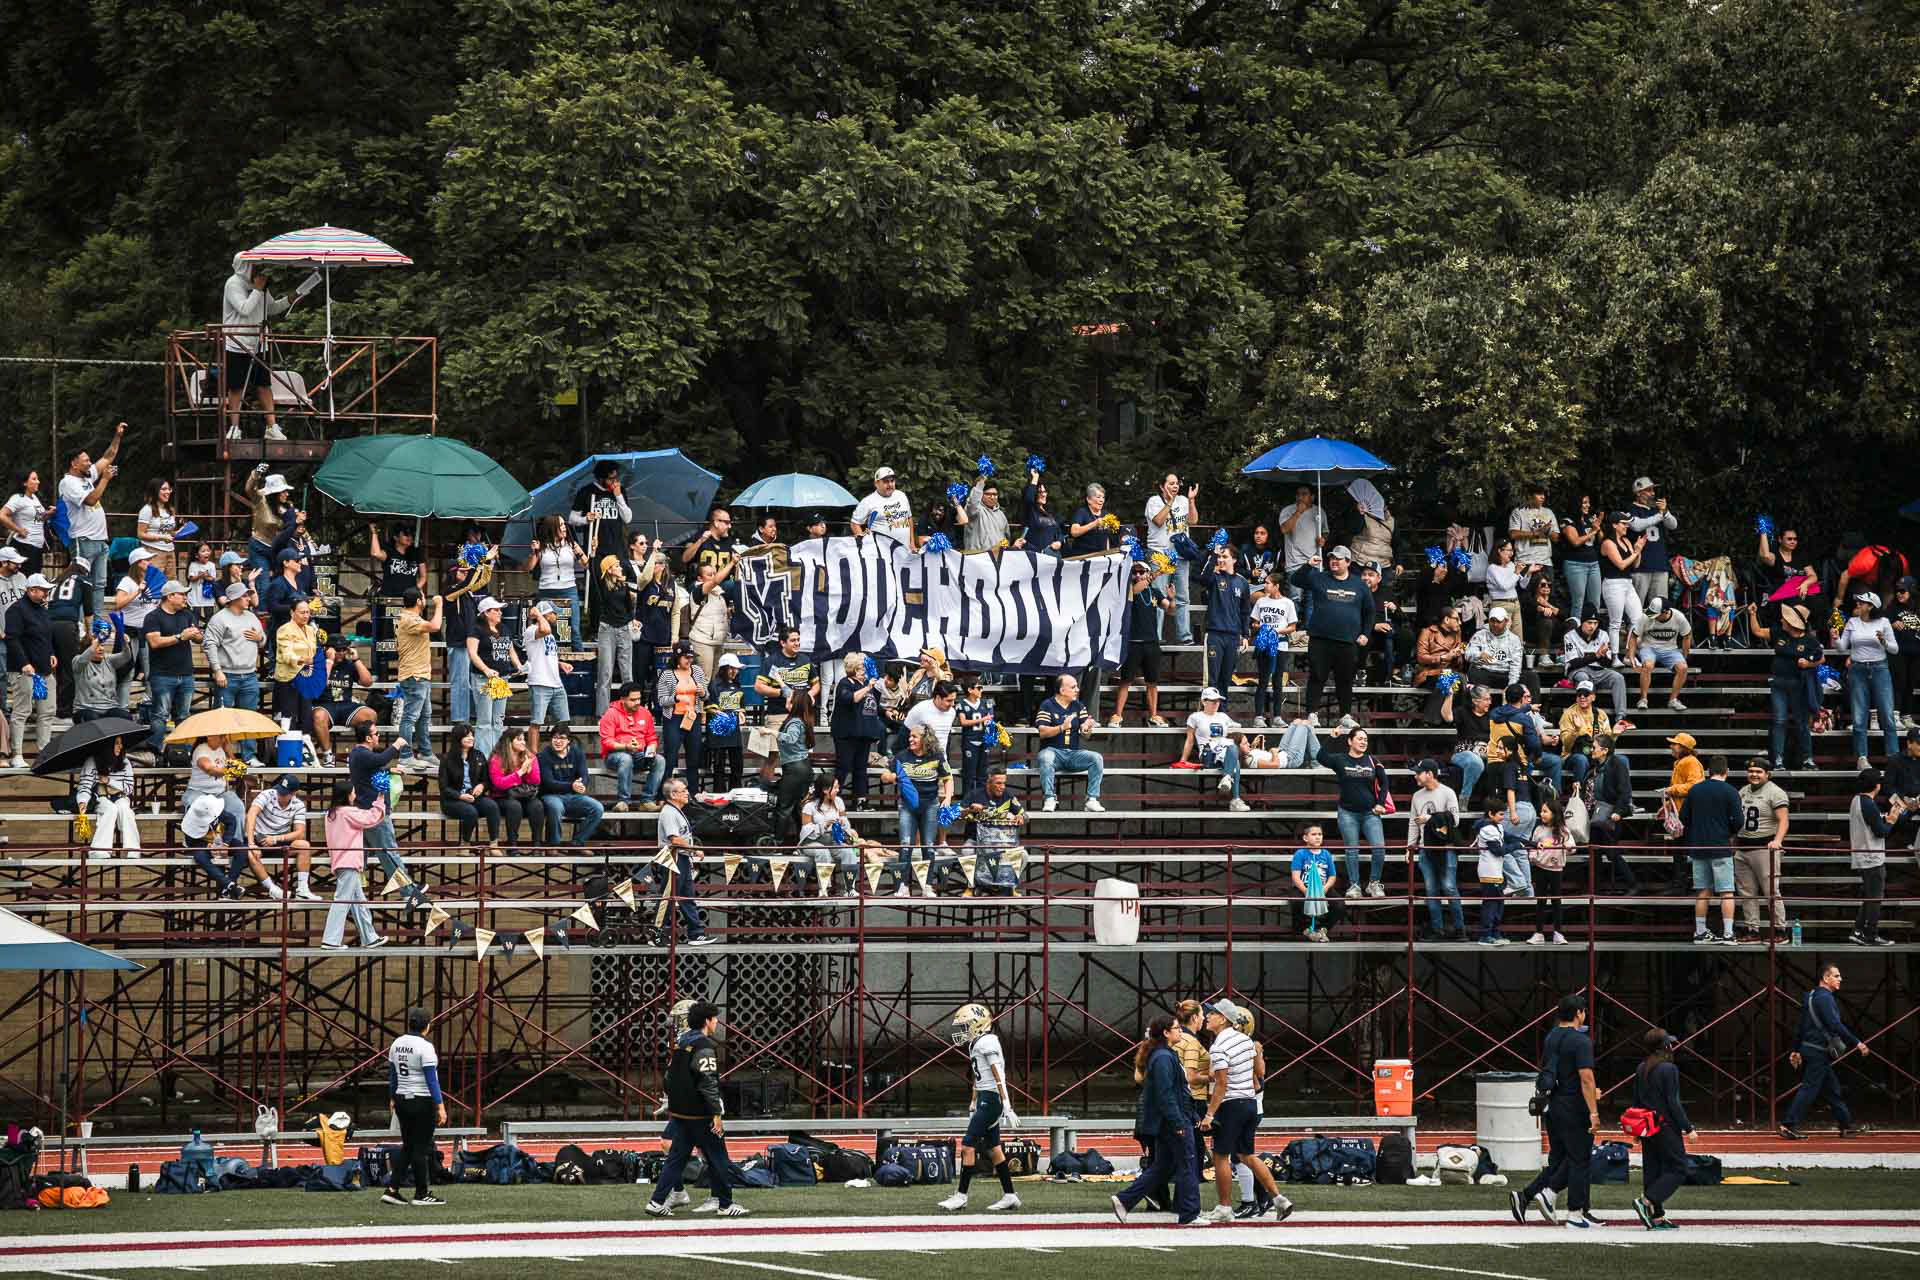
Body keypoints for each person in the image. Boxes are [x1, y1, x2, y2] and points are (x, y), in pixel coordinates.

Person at [647, 1001, 746, 1217]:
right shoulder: (704, 1047)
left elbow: (669, 1080)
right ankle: (725, 1204)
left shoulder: (681, 1043)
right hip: (701, 1114)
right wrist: (716, 1114)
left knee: (675, 1159)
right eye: (714, 1018)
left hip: (681, 1114)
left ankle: (656, 1201)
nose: (717, 1022)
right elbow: (708, 1082)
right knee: (719, 1158)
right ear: (707, 1021)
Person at [1511, 994, 1600, 1228]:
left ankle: (1527, 1195)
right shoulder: (1581, 1041)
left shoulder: (1552, 1036)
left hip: (1553, 1104)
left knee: (1560, 1160)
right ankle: (1572, 1211)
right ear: (1579, 1013)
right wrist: (1594, 1111)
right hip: (1574, 1106)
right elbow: (1586, 1078)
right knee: (1579, 1159)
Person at [1199, 1000, 1292, 1223]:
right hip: (1250, 1103)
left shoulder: (1219, 1046)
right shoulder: (1245, 1040)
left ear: (1223, 1018)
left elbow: (1221, 1083)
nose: (1207, 1017)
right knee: (1247, 1155)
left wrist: (1209, 1114)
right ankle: (1279, 1199)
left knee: (1221, 1156)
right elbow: (1258, 1072)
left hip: (1231, 1105)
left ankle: (1224, 1207)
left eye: (1212, 1013)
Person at [1110, 1013, 1203, 1226]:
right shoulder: (1163, 1057)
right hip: (1172, 1122)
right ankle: (1189, 1213)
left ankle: (1125, 1200)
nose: (1180, 1031)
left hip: (1169, 1120)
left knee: (1162, 1166)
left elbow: (1175, 1091)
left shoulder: (1164, 1054)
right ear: (1166, 1032)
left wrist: (1190, 1114)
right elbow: (1166, 1094)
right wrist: (1178, 1121)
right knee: (1188, 1163)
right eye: (1177, 1028)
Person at [938, 1003, 1022, 1213]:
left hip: (992, 1100)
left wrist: (1007, 1105)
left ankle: (961, 1196)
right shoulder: (977, 1043)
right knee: (994, 1149)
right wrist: (974, 1100)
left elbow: (998, 1075)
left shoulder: (987, 1042)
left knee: (967, 1146)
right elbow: (980, 1076)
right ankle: (1010, 1195)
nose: (963, 1031)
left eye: (966, 1026)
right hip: (985, 1098)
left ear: (978, 1024)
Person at [1781, 965, 1870, 1140]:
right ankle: (1788, 1125)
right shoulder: (1825, 998)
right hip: (1818, 1051)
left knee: (1832, 1089)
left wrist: (1795, 1050)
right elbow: (1834, 1024)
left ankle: (1846, 1125)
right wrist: (1857, 1042)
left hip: (1810, 1049)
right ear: (1825, 978)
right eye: (1836, 976)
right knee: (1809, 1088)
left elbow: (1801, 1027)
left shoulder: (1810, 996)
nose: (1840, 979)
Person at [1290, 545, 1375, 721]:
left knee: (1345, 680)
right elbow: (1295, 580)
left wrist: (1366, 633)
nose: (1334, 561)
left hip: (1347, 641)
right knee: (1317, 677)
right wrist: (1308, 565)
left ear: (1348, 562)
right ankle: (1312, 714)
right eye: (1332, 558)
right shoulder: (1319, 578)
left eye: (1338, 558)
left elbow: (1370, 611)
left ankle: (1345, 716)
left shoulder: (1360, 585)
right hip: (1320, 640)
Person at [57, 423, 124, 622]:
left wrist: (117, 435)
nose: (89, 463)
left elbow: (108, 457)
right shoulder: (68, 482)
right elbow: (91, 500)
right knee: (81, 583)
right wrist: (105, 479)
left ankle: (96, 623)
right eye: (85, 461)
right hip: (83, 540)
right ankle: (78, 624)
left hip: (100, 540)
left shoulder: (87, 477)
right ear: (74, 464)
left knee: (100, 584)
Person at [221, 254, 292, 440]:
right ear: (245, 266)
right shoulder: (233, 284)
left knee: (264, 385)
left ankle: (272, 427)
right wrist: (258, 289)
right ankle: (234, 428)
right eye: (254, 265)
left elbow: (272, 308)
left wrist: (294, 297)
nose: (258, 269)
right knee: (236, 387)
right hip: (237, 343)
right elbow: (245, 309)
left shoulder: (259, 285)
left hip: (259, 343)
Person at [1628, 1029, 1692, 1231]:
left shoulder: (1641, 1068)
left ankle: (1657, 1216)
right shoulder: (1669, 1069)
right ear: (1665, 1046)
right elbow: (1673, 1102)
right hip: (1665, 1126)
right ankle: (1646, 1201)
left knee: (1653, 1170)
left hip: (1647, 1126)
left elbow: (1636, 1100)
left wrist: (1637, 1132)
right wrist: (1688, 1128)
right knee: (1679, 1168)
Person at [383, 1008, 447, 1207]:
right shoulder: (425, 1047)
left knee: (409, 1146)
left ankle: (392, 1189)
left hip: (402, 1099)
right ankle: (421, 1193)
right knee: (421, 1147)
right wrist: (440, 1105)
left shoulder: (397, 1043)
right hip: (422, 1100)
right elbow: (431, 1080)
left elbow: (393, 1074)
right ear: (426, 1026)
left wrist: (392, 1097)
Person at [1318, 724, 1390, 897]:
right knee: (1352, 850)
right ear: (1350, 741)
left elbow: (1385, 783)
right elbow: (1321, 757)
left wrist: (1380, 803)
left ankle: (1374, 884)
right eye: (1359, 738)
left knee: (1379, 848)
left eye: (1366, 739)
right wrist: (1332, 737)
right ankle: (1354, 886)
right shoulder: (1340, 759)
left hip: (1370, 813)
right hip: (1347, 813)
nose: (1363, 742)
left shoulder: (1373, 760)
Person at [882, 725, 951, 895]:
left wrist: (948, 797)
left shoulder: (937, 756)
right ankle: (902, 886)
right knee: (906, 845)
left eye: (914, 736)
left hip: (930, 805)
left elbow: (948, 778)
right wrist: (889, 776)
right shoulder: (902, 756)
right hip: (907, 806)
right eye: (910, 736)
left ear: (925, 739)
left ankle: (927, 886)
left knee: (928, 846)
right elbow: (884, 775)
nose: (910, 739)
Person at [1679, 754, 1740, 944]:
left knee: (1703, 892)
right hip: (1720, 846)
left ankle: (1700, 932)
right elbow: (1739, 821)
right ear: (1726, 771)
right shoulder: (1731, 791)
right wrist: (1729, 832)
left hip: (1698, 847)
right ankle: (1728, 933)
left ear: (1708, 771)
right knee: (1726, 892)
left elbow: (1683, 817)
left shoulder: (1695, 790)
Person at [321, 780, 388, 951]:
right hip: (349, 861)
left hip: (341, 861)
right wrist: (380, 797)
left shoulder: (331, 813)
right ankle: (330, 940)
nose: (355, 795)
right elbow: (371, 818)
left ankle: (370, 937)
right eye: (353, 792)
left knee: (358, 902)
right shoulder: (348, 812)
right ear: (347, 795)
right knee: (342, 900)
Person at [1836, 591, 1899, 768]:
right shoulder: (1852, 622)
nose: (1858, 604)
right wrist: (1835, 638)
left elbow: (1895, 649)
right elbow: (1841, 648)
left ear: (1871, 606)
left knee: (1887, 713)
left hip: (1879, 669)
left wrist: (1884, 642)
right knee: (1859, 715)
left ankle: (1893, 756)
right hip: (1857, 670)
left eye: (1862, 602)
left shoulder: (1883, 622)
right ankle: (1862, 757)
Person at [203, 582, 265, 759]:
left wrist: (260, 638)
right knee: (222, 720)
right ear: (234, 598)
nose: (248, 599)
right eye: (244, 596)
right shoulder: (219, 618)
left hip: (250, 675)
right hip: (227, 675)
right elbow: (209, 644)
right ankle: (222, 756)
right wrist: (217, 670)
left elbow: (263, 641)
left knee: (249, 718)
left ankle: (249, 757)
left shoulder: (251, 617)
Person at [141, 579, 200, 756]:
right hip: (162, 675)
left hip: (186, 673)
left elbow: (199, 639)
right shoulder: (153, 617)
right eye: (182, 594)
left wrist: (197, 635)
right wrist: (180, 637)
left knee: (184, 716)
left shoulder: (187, 615)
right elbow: (154, 642)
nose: (185, 597)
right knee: (160, 715)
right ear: (170, 596)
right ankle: (155, 752)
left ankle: (183, 753)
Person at [3, 572, 56, 768]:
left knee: (46, 711)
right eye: (43, 590)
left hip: (42, 672)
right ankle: (17, 754)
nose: (46, 593)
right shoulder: (16, 610)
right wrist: (24, 663)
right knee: (22, 711)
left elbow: (45, 636)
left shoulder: (42, 609)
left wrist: (51, 652)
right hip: (24, 671)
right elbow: (12, 639)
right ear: (31, 590)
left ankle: (44, 752)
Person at [1110, 562, 1173, 726]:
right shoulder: (1127, 589)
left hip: (1151, 643)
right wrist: (1154, 575)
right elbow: (1135, 590)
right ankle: (1117, 716)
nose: (1137, 575)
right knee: (1125, 681)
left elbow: (1170, 610)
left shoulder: (1154, 591)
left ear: (1147, 572)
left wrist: (1172, 598)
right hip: (1132, 642)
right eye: (1134, 572)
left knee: (1152, 682)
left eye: (1141, 572)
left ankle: (1153, 716)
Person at [1033, 674, 1104, 813]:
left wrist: (1086, 728)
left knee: (1096, 758)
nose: (1077, 689)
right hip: (1052, 752)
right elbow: (1042, 732)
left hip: (1073, 754)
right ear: (1062, 690)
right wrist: (1061, 727)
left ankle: (1092, 799)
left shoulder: (1078, 706)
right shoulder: (1047, 705)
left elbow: (1086, 736)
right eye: (1073, 687)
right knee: (1046, 757)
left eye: (1076, 686)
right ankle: (1049, 798)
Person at [1410, 759, 1464, 941]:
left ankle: (1459, 929)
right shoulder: (1417, 796)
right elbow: (1413, 823)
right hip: (1426, 848)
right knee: (1431, 890)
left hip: (1445, 847)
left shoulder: (1447, 792)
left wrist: (1429, 818)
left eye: (1419, 773)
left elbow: (1455, 820)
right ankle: (1437, 929)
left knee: (1449, 888)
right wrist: (1410, 846)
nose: (1416, 776)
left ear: (1430, 774)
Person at [1848, 768, 1903, 947]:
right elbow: (1881, 832)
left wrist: (1885, 819)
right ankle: (1870, 934)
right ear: (1876, 785)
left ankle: (1858, 931)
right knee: (1875, 899)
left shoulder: (1857, 800)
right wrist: (1892, 821)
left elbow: (1872, 823)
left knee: (1870, 897)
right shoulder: (1869, 804)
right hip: (1872, 857)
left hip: (1863, 855)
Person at [657, 779, 714, 945]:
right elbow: (674, 839)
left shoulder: (676, 811)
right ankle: (658, 934)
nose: (687, 793)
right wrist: (694, 849)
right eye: (683, 790)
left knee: (686, 897)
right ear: (673, 794)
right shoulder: (669, 812)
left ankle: (696, 934)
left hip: (681, 857)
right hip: (672, 858)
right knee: (669, 897)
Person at [1144, 474, 1198, 644]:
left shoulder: (1183, 500)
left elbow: (1193, 521)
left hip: (1181, 555)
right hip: (1160, 554)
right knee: (1159, 596)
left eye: (1177, 484)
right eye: (1171, 483)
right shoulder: (1154, 501)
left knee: (1183, 597)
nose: (1175, 486)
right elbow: (1158, 521)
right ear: (1162, 486)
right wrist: (1169, 502)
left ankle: (1185, 636)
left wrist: (1191, 501)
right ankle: (1156, 636)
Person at [246, 773, 316, 901]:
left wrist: (276, 839)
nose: (280, 795)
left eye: (284, 794)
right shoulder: (267, 794)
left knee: (304, 845)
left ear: (294, 793)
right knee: (250, 853)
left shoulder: (299, 805)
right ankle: (273, 889)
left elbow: (300, 833)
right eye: (279, 791)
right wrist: (251, 843)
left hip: (278, 840)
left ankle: (303, 889)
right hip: (258, 838)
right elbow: (251, 814)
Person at [465, 596, 520, 758]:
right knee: (484, 721)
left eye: (499, 610)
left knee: (498, 720)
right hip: (484, 679)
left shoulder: (504, 628)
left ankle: (497, 756)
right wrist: (486, 669)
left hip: (502, 678)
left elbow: (510, 650)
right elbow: (472, 653)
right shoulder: (476, 629)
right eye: (496, 610)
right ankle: (482, 757)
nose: (500, 612)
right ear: (486, 613)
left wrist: (519, 665)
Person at [1179, 687, 1249, 812]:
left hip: (1223, 753)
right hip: (1208, 755)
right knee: (1233, 755)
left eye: (1218, 701)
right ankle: (1234, 797)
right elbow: (1190, 740)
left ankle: (1228, 783)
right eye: (1213, 701)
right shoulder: (1195, 717)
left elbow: (1237, 725)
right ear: (1203, 701)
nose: (1216, 703)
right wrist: (1183, 760)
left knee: (1233, 752)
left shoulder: (1223, 716)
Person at [599, 681, 664, 813]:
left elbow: (651, 738)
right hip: (614, 756)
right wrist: (625, 747)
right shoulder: (611, 714)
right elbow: (607, 742)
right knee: (625, 759)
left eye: (639, 699)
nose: (637, 702)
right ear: (622, 699)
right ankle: (623, 801)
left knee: (660, 760)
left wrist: (651, 748)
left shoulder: (645, 713)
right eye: (633, 700)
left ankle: (647, 801)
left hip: (639, 754)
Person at [536, 724, 603, 847]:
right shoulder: (543, 756)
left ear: (568, 741)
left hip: (573, 796)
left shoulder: (577, 753)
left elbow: (584, 775)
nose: (558, 741)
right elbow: (548, 782)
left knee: (597, 808)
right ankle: (553, 846)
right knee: (555, 807)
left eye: (562, 738)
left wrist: (582, 785)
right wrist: (571, 786)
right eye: (555, 738)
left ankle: (577, 843)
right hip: (551, 795)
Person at [590, 547, 637, 715]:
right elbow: (594, 570)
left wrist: (632, 620)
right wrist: (594, 553)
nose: (620, 567)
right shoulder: (603, 585)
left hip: (624, 628)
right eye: (616, 565)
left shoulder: (624, 585)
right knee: (605, 673)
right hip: (607, 629)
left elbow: (629, 608)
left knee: (627, 673)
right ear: (609, 570)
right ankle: (602, 714)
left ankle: (630, 711)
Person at [655, 642, 708, 792]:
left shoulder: (697, 671)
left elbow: (706, 696)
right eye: (686, 657)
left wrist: (703, 692)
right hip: (673, 718)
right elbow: (661, 700)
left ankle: (693, 793)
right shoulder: (667, 674)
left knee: (694, 758)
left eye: (691, 657)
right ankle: (663, 794)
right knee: (670, 758)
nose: (689, 660)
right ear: (677, 657)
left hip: (692, 717)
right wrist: (676, 698)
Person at [1248, 571, 1298, 728]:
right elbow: (1254, 622)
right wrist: (1260, 627)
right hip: (1264, 642)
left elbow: (1293, 627)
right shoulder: (1261, 601)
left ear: (1277, 586)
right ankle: (1259, 716)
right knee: (1263, 679)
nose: (1265, 585)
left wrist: (1277, 631)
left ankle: (1277, 717)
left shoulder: (1287, 603)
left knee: (1277, 681)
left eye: (1268, 583)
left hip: (1280, 644)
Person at [439, 723, 502, 847]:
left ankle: (494, 844)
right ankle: (465, 845)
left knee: (492, 806)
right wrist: (460, 796)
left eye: (472, 735)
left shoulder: (478, 755)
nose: (471, 738)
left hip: (474, 797)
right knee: (471, 812)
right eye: (467, 736)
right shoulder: (447, 759)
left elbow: (487, 780)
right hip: (452, 800)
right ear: (458, 738)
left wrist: (482, 786)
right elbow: (444, 787)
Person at [76, 734, 138, 860]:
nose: (120, 747)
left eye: (121, 743)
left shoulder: (125, 762)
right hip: (100, 798)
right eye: (117, 743)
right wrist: (82, 801)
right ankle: (99, 850)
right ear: (108, 746)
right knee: (110, 809)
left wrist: (109, 781)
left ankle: (133, 850)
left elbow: (129, 788)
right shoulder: (92, 761)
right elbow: (85, 786)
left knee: (125, 810)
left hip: (121, 797)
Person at [522, 515, 581, 645]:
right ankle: (548, 654)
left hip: (568, 590)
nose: (565, 527)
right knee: (547, 628)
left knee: (574, 630)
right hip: (547, 591)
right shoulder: (542, 547)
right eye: (561, 525)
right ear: (553, 528)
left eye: (564, 524)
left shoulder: (571, 544)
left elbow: (586, 565)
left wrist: (582, 552)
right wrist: (534, 552)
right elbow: (528, 568)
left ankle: (578, 657)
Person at [1629, 596, 1692, 712]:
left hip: (1670, 649)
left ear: (1665, 612)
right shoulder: (1646, 616)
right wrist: (1631, 656)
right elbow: (1633, 636)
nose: (1652, 616)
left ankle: (1673, 700)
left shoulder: (1679, 617)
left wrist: (1684, 656)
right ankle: (1643, 699)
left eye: (1656, 614)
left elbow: (1687, 636)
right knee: (1647, 665)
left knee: (1683, 668)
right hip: (1649, 647)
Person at [1598, 511, 1647, 655]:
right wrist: (1635, 553)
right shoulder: (1607, 543)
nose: (1627, 526)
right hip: (1613, 584)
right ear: (1614, 525)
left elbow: (1635, 565)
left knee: (1638, 619)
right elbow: (1621, 564)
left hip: (1627, 583)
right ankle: (1614, 656)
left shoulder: (1626, 541)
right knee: (1616, 623)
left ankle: (1628, 654)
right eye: (1623, 523)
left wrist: (1638, 551)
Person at [1202, 544, 1251, 690]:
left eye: (1225, 556)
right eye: (1219, 557)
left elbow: (1245, 611)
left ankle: (1223, 706)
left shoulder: (1242, 582)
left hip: (1233, 637)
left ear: (1234, 560)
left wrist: (1245, 635)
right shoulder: (1214, 578)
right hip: (1215, 634)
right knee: (1212, 681)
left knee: (1225, 680)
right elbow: (1203, 578)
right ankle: (1210, 705)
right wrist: (1213, 556)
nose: (1221, 559)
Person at [1526, 796, 1572, 946]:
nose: (1542, 814)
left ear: (1554, 813)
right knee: (1541, 901)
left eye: (1545, 811)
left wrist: (1568, 847)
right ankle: (1539, 933)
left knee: (1556, 901)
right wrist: (1534, 858)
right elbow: (1532, 847)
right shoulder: (1539, 829)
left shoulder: (1563, 830)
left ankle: (1558, 933)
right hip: (1540, 868)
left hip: (1556, 870)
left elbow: (1571, 847)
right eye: (1541, 811)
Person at [483, 726, 538, 850]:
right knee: (514, 806)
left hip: (523, 794)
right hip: (502, 796)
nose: (523, 742)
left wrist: (529, 772)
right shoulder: (496, 759)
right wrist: (520, 772)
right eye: (519, 739)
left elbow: (536, 781)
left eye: (524, 739)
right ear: (509, 742)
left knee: (537, 806)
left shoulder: (529, 756)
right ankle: (512, 846)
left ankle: (537, 847)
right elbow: (499, 783)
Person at [775, 690, 817, 846]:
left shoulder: (795, 722)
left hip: (795, 769)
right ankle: (802, 842)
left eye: (789, 699)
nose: (787, 700)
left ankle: (777, 843)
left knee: (784, 807)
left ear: (795, 703)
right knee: (798, 808)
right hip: (803, 767)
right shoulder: (802, 719)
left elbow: (791, 738)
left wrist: (771, 732)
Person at [1626, 478, 1677, 604]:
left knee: (1659, 606)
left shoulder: (1657, 509)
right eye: (1649, 490)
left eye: (1653, 490)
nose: (1653, 493)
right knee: (1636, 605)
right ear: (1638, 493)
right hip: (1641, 566)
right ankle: (1638, 619)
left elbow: (1673, 525)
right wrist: (1660, 515)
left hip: (1660, 564)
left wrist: (1665, 512)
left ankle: (1653, 618)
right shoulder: (1631, 509)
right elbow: (1637, 526)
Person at [1472, 796, 1514, 944]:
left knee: (1498, 904)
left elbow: (1511, 837)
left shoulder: (1498, 827)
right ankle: (1485, 934)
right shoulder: (1487, 829)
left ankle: (1495, 932)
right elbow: (1498, 851)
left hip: (1496, 871)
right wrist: (1518, 846)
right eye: (1501, 814)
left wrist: (1532, 843)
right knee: (1491, 904)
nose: (1503, 817)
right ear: (1491, 814)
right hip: (1488, 871)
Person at [1557, 494, 1604, 623]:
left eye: (1588, 502)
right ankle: (1575, 630)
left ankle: (1594, 629)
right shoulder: (1567, 521)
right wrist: (1593, 531)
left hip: (1594, 564)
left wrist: (1598, 528)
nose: (1588, 505)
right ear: (1576, 504)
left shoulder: (1589, 519)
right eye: (1584, 502)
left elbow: (1601, 540)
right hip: (1575, 565)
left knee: (1595, 601)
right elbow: (1575, 542)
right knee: (1578, 602)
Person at [569, 458, 632, 553]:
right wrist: (585, 519)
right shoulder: (586, 491)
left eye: (616, 477)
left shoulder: (620, 490)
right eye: (611, 479)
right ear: (600, 478)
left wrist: (619, 496)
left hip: (617, 548)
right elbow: (572, 519)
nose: (615, 482)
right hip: (594, 548)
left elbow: (627, 519)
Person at [1290, 824, 1340, 941]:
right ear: (1305, 838)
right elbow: (1296, 877)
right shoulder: (1300, 853)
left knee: (1339, 905)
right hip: (1304, 887)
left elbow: (1332, 876)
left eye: (1320, 834)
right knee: (1296, 902)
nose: (1317, 837)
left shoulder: (1326, 854)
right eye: (1313, 834)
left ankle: (1323, 929)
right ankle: (1306, 929)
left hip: (1322, 888)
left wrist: (1325, 889)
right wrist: (1307, 892)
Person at [1464, 606, 1525, 695]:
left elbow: (1516, 665)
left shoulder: (1514, 639)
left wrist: (1511, 686)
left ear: (1506, 621)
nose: (1495, 624)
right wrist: (1479, 654)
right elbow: (1468, 654)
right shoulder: (1480, 635)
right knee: (1473, 672)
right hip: (1484, 672)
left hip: (1504, 674)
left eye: (1498, 621)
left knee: (1531, 676)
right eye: (1492, 621)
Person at [1, 468, 49, 576]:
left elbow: (37, 519)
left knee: (34, 579)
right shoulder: (18, 498)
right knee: (25, 579)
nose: (38, 482)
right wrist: (18, 530)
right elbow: (2, 515)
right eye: (34, 479)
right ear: (25, 483)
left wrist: (48, 514)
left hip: (37, 547)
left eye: (37, 479)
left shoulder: (34, 498)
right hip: (25, 546)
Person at [851, 467, 915, 546]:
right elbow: (855, 523)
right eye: (886, 482)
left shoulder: (901, 495)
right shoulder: (868, 501)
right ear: (876, 483)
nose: (890, 484)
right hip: (881, 551)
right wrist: (864, 545)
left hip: (905, 549)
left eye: (892, 481)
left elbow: (909, 518)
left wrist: (912, 543)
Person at [680, 504, 737, 584]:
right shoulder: (698, 537)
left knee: (736, 585)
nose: (730, 526)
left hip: (723, 583)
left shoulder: (730, 541)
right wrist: (700, 541)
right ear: (716, 523)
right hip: (701, 583)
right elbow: (685, 558)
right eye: (727, 522)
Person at [136, 477, 179, 578]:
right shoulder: (147, 510)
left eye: (169, 489)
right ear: (154, 491)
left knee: (171, 583)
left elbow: (168, 533)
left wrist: (181, 531)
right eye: (164, 489)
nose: (168, 492)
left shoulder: (170, 510)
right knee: (154, 582)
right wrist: (161, 538)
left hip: (170, 551)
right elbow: (140, 534)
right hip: (153, 552)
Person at [1066, 483, 1121, 556]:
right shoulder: (1082, 512)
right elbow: (1074, 532)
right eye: (1098, 497)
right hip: (1083, 556)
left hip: (1102, 556)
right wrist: (1094, 524)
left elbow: (1107, 537)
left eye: (1103, 497)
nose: (1101, 500)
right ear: (1089, 499)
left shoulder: (1106, 514)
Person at [1017, 467, 1062, 555]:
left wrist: (1059, 542)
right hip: (1035, 555)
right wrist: (1035, 478)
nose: (1044, 495)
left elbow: (1059, 532)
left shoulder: (1049, 512)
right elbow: (1029, 498)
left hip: (1052, 555)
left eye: (1045, 492)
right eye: (1040, 492)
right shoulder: (1030, 510)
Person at [963, 473, 1010, 553]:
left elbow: (1006, 537)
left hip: (998, 557)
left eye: (995, 494)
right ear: (981, 494)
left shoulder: (1001, 515)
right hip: (977, 557)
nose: (992, 497)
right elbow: (973, 503)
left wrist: (1004, 550)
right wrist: (981, 483)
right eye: (988, 494)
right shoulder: (975, 511)